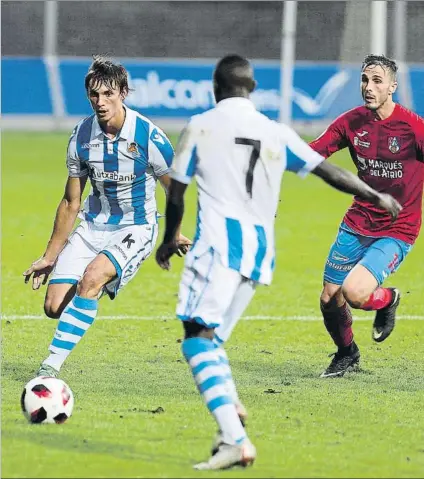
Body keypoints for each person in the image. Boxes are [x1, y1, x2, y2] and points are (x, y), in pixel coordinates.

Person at [155, 54, 401, 470]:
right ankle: (229, 418)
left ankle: (235, 438)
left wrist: (166, 242)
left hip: (218, 247)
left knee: (196, 339)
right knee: (211, 338)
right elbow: (327, 171)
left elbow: (177, 194)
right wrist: (376, 195)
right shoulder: (274, 131)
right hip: (259, 254)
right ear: (252, 90)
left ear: (216, 88)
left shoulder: (200, 125)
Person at [23, 56, 191, 378]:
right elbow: (72, 201)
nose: (101, 103)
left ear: (123, 93)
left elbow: (175, 191)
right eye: (94, 96)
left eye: (108, 94)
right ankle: (93, 290)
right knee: (54, 307)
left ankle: (50, 367)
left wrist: (173, 232)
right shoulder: (81, 138)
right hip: (92, 225)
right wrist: (50, 255)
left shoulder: (149, 137)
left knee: (91, 279)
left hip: (136, 226)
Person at [309, 54, 424, 378]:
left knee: (355, 294)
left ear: (392, 87)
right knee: (329, 298)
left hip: (397, 228)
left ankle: (387, 300)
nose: (368, 87)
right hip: (357, 222)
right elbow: (315, 151)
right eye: (364, 80)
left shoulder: (413, 128)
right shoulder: (351, 122)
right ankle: (347, 353)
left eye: (376, 81)